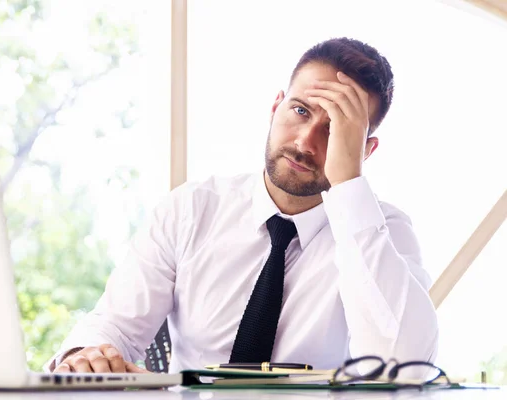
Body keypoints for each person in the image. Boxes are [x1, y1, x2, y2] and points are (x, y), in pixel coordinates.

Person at [48, 37, 438, 374]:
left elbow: (405, 367)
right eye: (300, 111)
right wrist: (87, 354)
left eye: (334, 130)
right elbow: (114, 327)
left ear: (365, 150)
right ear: (276, 107)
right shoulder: (191, 210)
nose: (305, 142)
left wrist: (349, 185)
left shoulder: (382, 230)